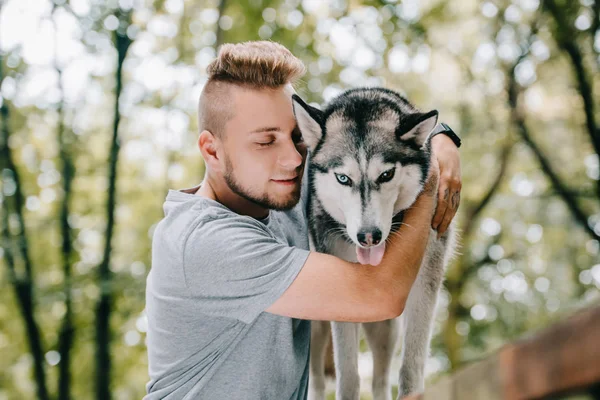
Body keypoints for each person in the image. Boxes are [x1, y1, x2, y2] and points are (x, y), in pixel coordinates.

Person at [144, 41, 462, 399]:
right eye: (266, 141)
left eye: (297, 136)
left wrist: (441, 136)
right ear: (212, 150)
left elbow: (370, 143)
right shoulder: (205, 243)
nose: (294, 159)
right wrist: (430, 170)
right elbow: (379, 296)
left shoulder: (281, 189)